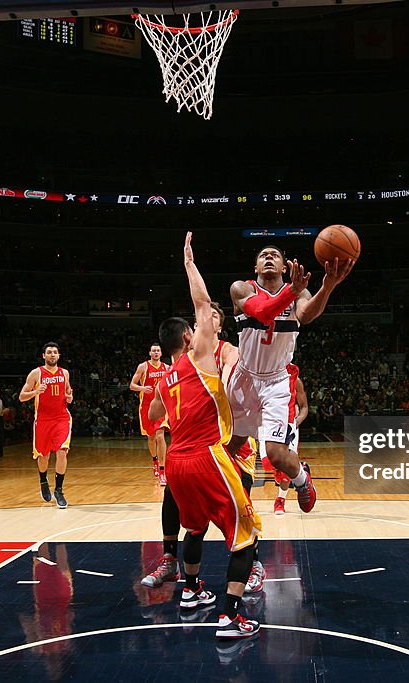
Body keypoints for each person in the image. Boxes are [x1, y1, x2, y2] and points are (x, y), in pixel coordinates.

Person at [148, 232, 262, 640]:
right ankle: (230, 617)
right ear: (188, 338)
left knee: (193, 528)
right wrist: (189, 264)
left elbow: (154, 415)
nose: (207, 323)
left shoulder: (164, 377)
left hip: (176, 462)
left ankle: (192, 591)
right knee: (245, 534)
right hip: (208, 456)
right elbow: (201, 303)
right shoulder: (202, 354)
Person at [225, 245, 353, 514]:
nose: (268, 257)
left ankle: (302, 481)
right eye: (263, 255)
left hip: (276, 382)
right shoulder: (241, 289)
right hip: (244, 377)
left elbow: (306, 315)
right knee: (229, 445)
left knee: (275, 455)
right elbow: (262, 312)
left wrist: (327, 286)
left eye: (275, 255)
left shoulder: (299, 294)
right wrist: (292, 291)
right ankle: (219, 492)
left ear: (285, 267)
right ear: (256, 268)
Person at [20, 342, 73, 509]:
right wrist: (35, 392)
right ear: (44, 355)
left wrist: (70, 397)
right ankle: (43, 480)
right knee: (43, 456)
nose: (52, 355)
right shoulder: (36, 373)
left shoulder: (64, 373)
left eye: (55, 352)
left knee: (62, 451)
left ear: (59, 356)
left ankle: (59, 490)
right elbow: (21, 396)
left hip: (61, 418)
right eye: (49, 352)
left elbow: (68, 392)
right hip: (43, 420)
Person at [263, 362, 308, 516]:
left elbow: (304, 407)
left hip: (288, 423)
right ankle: (301, 470)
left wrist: (296, 422)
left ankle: (280, 500)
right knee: (268, 463)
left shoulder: (295, 379)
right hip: (268, 423)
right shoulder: (263, 373)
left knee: (284, 470)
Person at [129, 345, 170, 483]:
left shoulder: (167, 368)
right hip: (146, 407)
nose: (156, 352)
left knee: (160, 435)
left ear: (161, 352)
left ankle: (163, 471)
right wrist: (142, 388)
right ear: (150, 353)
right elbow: (131, 385)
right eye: (154, 350)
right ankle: (155, 461)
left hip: (161, 407)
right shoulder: (143, 367)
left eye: (158, 350)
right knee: (151, 437)